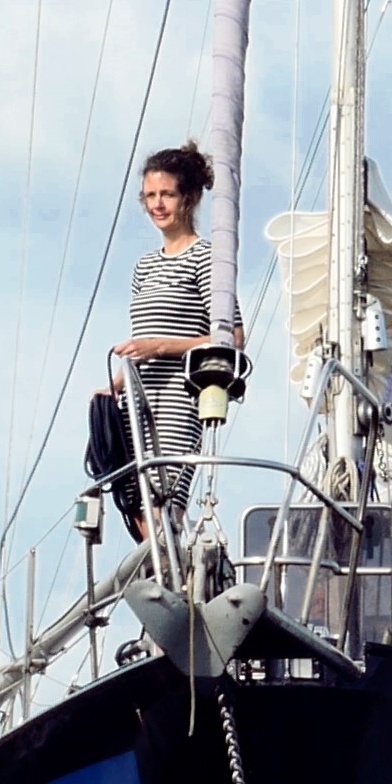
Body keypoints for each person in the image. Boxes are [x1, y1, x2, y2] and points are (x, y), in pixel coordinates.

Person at [109, 144, 223, 539]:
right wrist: (114, 387)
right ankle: (161, 584)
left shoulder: (206, 257)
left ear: (188, 198)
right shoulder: (144, 266)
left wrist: (161, 347)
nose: (157, 204)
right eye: (150, 196)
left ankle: (177, 579)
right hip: (136, 399)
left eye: (167, 195)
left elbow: (230, 337)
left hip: (178, 396)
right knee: (133, 500)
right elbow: (143, 339)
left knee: (165, 500)